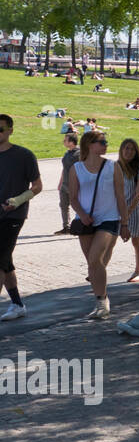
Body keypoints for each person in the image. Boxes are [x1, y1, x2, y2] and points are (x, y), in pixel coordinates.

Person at [67, 130, 129, 320]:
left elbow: (120, 196)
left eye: (105, 142)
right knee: (94, 265)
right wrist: (83, 215)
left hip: (109, 219)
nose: (105, 145)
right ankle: (100, 299)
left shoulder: (113, 166)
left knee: (95, 259)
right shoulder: (76, 168)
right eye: (101, 142)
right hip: (86, 221)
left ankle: (103, 304)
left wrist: (125, 223)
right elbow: (73, 198)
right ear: (89, 145)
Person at [0, 114, 42, 321]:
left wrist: (17, 200)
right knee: (5, 261)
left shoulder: (24, 155)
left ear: (10, 130)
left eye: (1, 129)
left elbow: (37, 186)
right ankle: (17, 304)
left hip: (13, 216)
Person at [116, 138, 139, 283]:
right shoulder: (116, 166)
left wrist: (127, 212)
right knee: (108, 239)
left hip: (136, 211)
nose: (128, 151)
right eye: (126, 148)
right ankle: (97, 268)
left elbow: (138, 194)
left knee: (137, 242)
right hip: (118, 209)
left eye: (132, 149)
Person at [54, 131, 80, 234]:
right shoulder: (67, 153)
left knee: (78, 206)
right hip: (65, 185)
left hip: (75, 185)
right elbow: (64, 168)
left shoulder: (79, 154)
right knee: (63, 205)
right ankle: (66, 227)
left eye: (65, 140)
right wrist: (60, 182)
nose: (63, 142)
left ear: (71, 142)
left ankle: (80, 225)